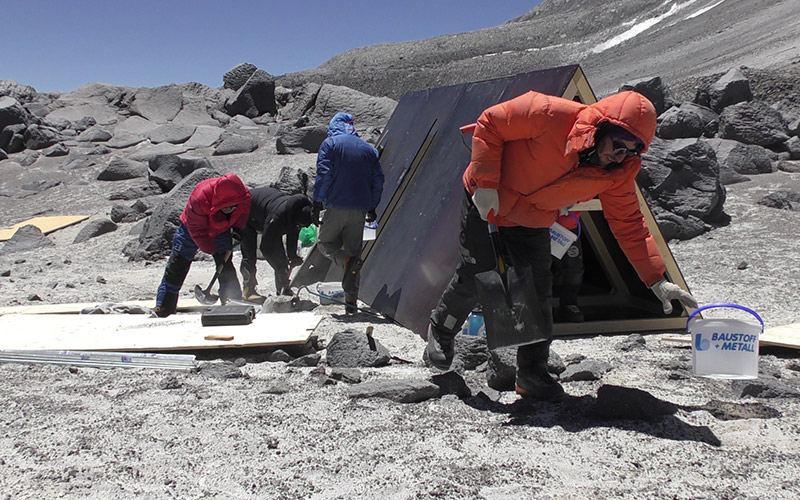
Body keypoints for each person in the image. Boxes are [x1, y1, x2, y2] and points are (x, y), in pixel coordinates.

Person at [425, 90, 698, 401]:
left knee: (538, 289)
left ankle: (532, 372)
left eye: (633, 151)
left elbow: (629, 225)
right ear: (601, 130)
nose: (621, 156)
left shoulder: (617, 173)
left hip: (534, 218)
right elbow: (490, 123)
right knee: (478, 273)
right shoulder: (546, 113)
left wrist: (656, 280)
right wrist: (486, 184)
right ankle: (442, 331)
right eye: (618, 145)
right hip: (487, 199)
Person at [312, 112, 384, 314]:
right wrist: (371, 206)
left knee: (325, 243)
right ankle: (351, 303)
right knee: (355, 255)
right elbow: (377, 181)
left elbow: (323, 174)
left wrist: (317, 202)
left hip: (336, 206)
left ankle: (343, 260)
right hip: (360, 209)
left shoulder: (330, 144)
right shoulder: (369, 150)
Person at [154, 174, 251, 318]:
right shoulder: (200, 198)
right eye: (227, 206)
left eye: (233, 206)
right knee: (177, 266)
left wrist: (237, 228)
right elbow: (197, 231)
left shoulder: (243, 196)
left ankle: (233, 303)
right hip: (190, 230)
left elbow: (242, 213)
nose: (231, 208)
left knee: (225, 265)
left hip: (221, 229)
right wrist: (212, 251)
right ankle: (165, 306)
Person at [239, 186, 313, 302]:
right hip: (245, 209)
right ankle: (248, 290)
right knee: (250, 253)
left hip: (265, 211)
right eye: (299, 225)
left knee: (281, 260)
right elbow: (266, 247)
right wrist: (280, 267)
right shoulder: (278, 217)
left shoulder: (298, 211)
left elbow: (293, 234)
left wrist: (292, 256)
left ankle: (283, 290)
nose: (299, 227)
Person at [552, 211, 584, 323]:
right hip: (537, 223)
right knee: (539, 268)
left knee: (574, 268)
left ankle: (569, 303)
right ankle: (541, 306)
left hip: (568, 225)